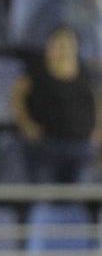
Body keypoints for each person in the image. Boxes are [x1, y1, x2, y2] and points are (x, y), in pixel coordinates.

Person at [11, 25, 101, 183]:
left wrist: (98, 129)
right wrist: (26, 124)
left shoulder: (85, 72)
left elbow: (96, 100)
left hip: (82, 145)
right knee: (46, 194)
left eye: (67, 45)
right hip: (47, 146)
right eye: (58, 44)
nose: (63, 50)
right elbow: (16, 96)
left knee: (81, 194)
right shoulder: (37, 70)